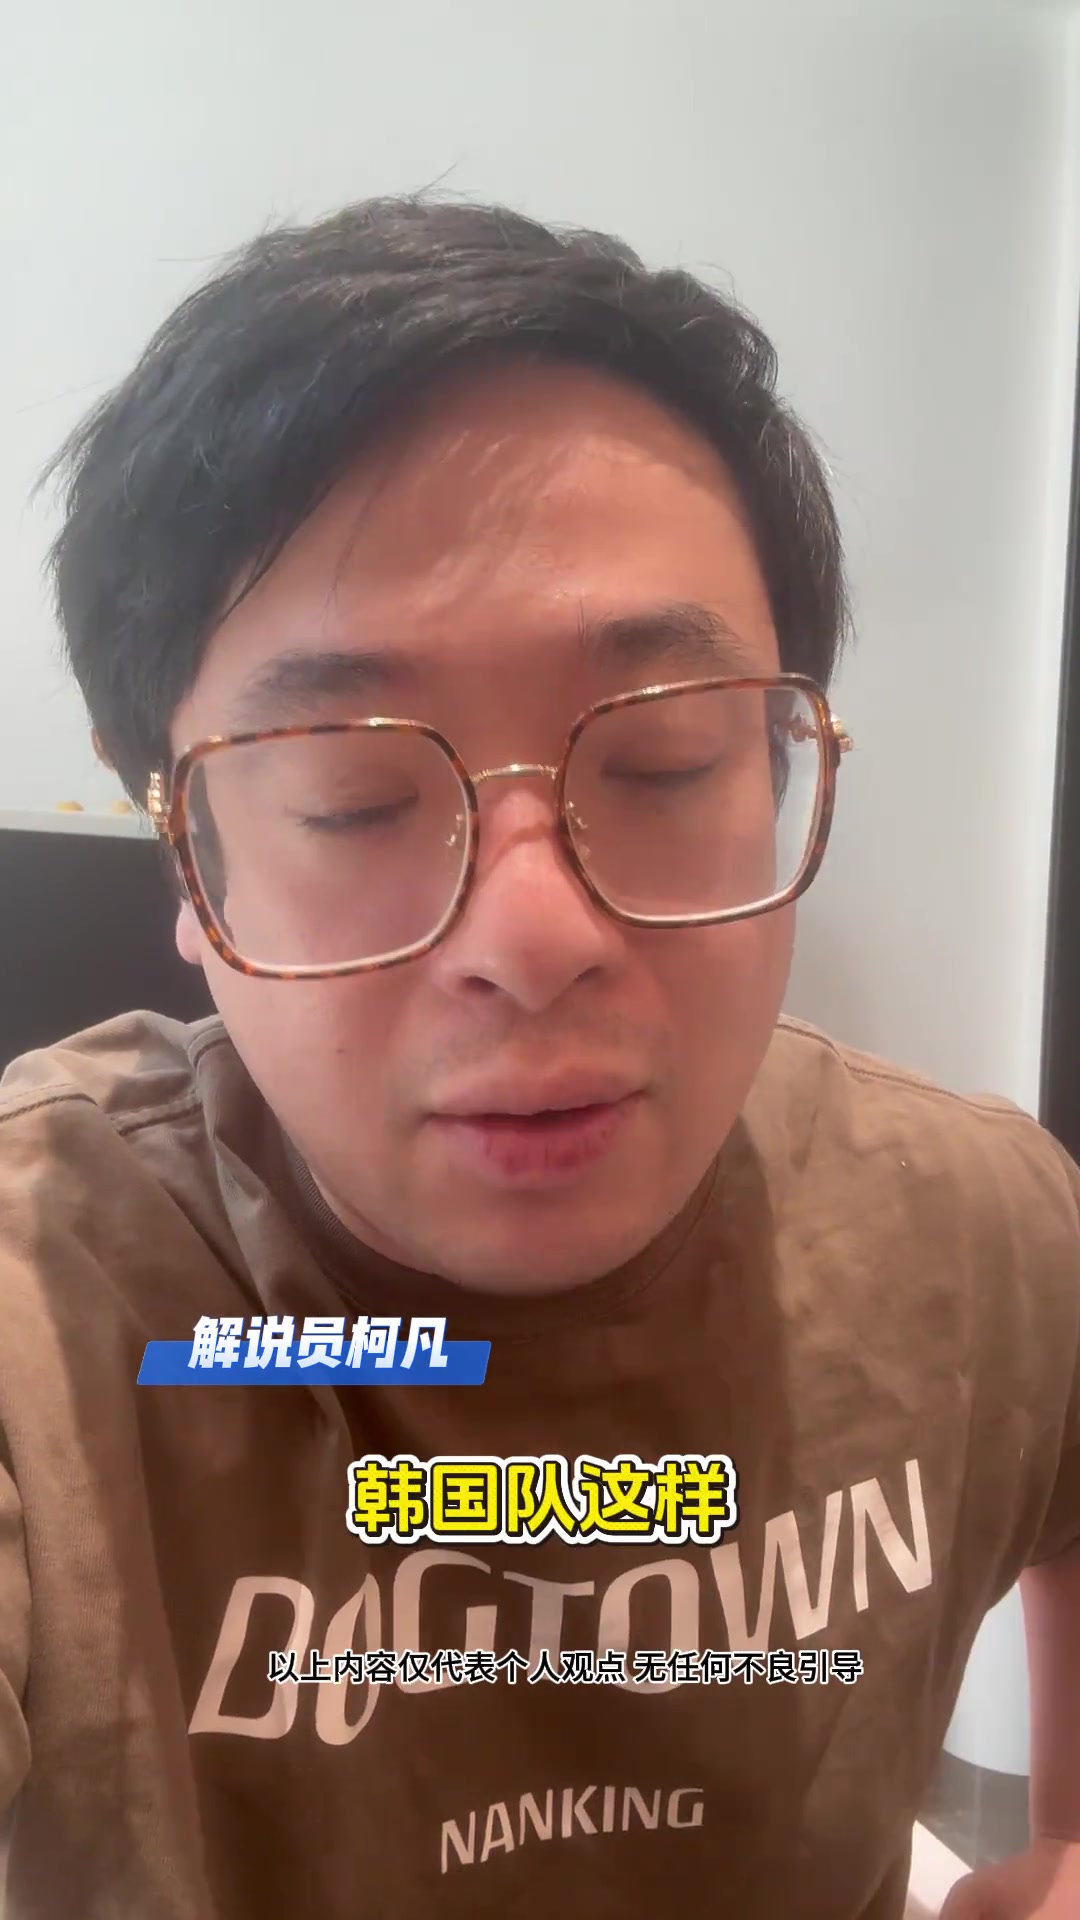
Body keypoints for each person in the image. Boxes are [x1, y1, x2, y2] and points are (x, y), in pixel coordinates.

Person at [0, 195, 1076, 1920]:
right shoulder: (48, 1305)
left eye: (664, 763)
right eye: (353, 796)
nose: (535, 933)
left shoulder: (983, 1223)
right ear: (193, 874)